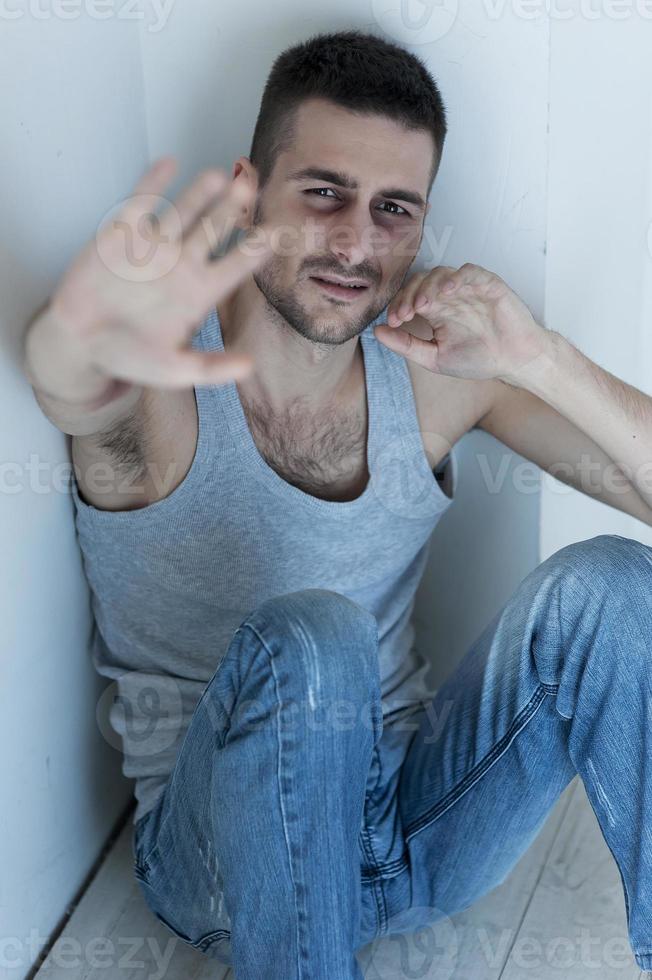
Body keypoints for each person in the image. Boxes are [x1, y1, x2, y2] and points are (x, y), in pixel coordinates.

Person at [22, 28, 652, 979]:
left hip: (408, 838)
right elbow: (69, 384)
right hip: (222, 872)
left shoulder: (434, 377)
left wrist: (540, 359)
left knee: (615, 584)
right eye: (323, 193)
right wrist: (76, 332)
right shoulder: (161, 377)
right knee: (319, 635)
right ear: (248, 193)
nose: (358, 242)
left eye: (394, 209)